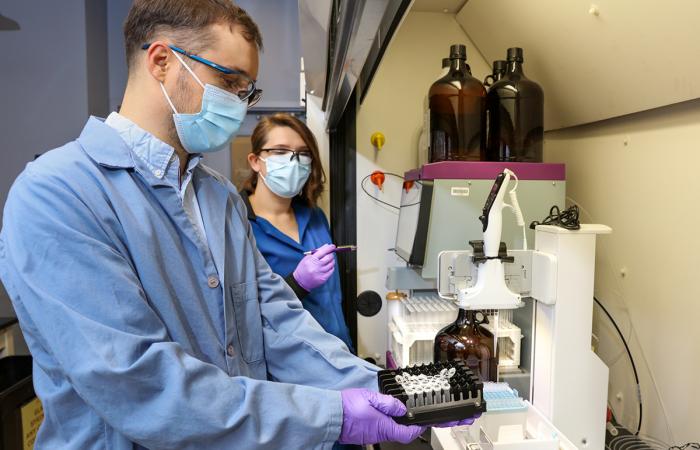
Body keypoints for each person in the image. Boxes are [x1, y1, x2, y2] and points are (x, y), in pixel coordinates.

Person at [0, 1, 476, 448]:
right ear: (162, 61)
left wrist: (388, 389)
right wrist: (334, 415)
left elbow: (275, 320)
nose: (242, 103)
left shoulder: (218, 196)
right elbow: (140, 383)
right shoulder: (58, 194)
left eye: (249, 89)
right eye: (230, 81)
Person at [241, 113, 353, 352]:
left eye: (303, 154)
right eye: (280, 151)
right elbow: (244, 313)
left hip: (339, 353)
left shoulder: (314, 217)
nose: (293, 162)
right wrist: (297, 284)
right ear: (255, 161)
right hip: (288, 368)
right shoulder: (239, 226)